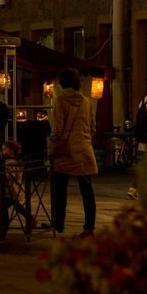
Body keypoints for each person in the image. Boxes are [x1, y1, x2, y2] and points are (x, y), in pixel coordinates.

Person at [48, 67, 97, 236]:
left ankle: (58, 222)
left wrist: (52, 144)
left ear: (62, 83)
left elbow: (58, 128)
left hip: (66, 151)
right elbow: (92, 127)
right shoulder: (86, 101)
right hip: (83, 149)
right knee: (87, 190)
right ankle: (89, 226)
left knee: (60, 188)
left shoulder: (60, 101)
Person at [1, 140, 34, 230]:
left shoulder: (11, 162)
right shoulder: (16, 161)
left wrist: (3, 175)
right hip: (15, 189)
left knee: (3, 205)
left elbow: (10, 175)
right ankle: (29, 217)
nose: (3, 151)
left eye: (5, 149)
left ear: (11, 151)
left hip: (11, 190)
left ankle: (5, 224)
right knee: (16, 206)